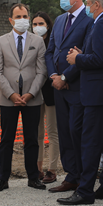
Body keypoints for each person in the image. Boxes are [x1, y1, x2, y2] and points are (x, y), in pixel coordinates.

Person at [58, 0, 103, 205]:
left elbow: (99, 59)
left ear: (96, 4)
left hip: (99, 94)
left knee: (90, 142)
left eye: (88, 3)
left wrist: (77, 59)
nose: (88, 7)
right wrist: (80, 56)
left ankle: (85, 190)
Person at [0, 3, 48, 191]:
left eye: (25, 16)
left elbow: (42, 71)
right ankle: (2, 178)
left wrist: (31, 93)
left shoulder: (38, 41)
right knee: (6, 139)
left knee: (32, 139)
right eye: (18, 17)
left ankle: (33, 177)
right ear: (11, 20)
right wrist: (12, 94)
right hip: (8, 99)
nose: (22, 20)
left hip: (32, 98)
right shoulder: (1, 41)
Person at [44, 0, 94, 193]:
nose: (62, 0)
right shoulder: (60, 19)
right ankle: (71, 176)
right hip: (58, 88)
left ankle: (84, 178)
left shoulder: (90, 20)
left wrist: (65, 77)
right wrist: (54, 75)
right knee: (64, 132)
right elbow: (50, 51)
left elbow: (86, 53)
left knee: (78, 132)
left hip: (77, 87)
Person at [33, 12, 60, 184]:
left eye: (40, 23)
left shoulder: (54, 42)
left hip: (50, 93)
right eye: (34, 24)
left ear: (48, 25)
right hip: (34, 93)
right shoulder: (30, 42)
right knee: (37, 133)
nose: (37, 27)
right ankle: (37, 168)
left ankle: (52, 169)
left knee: (53, 132)